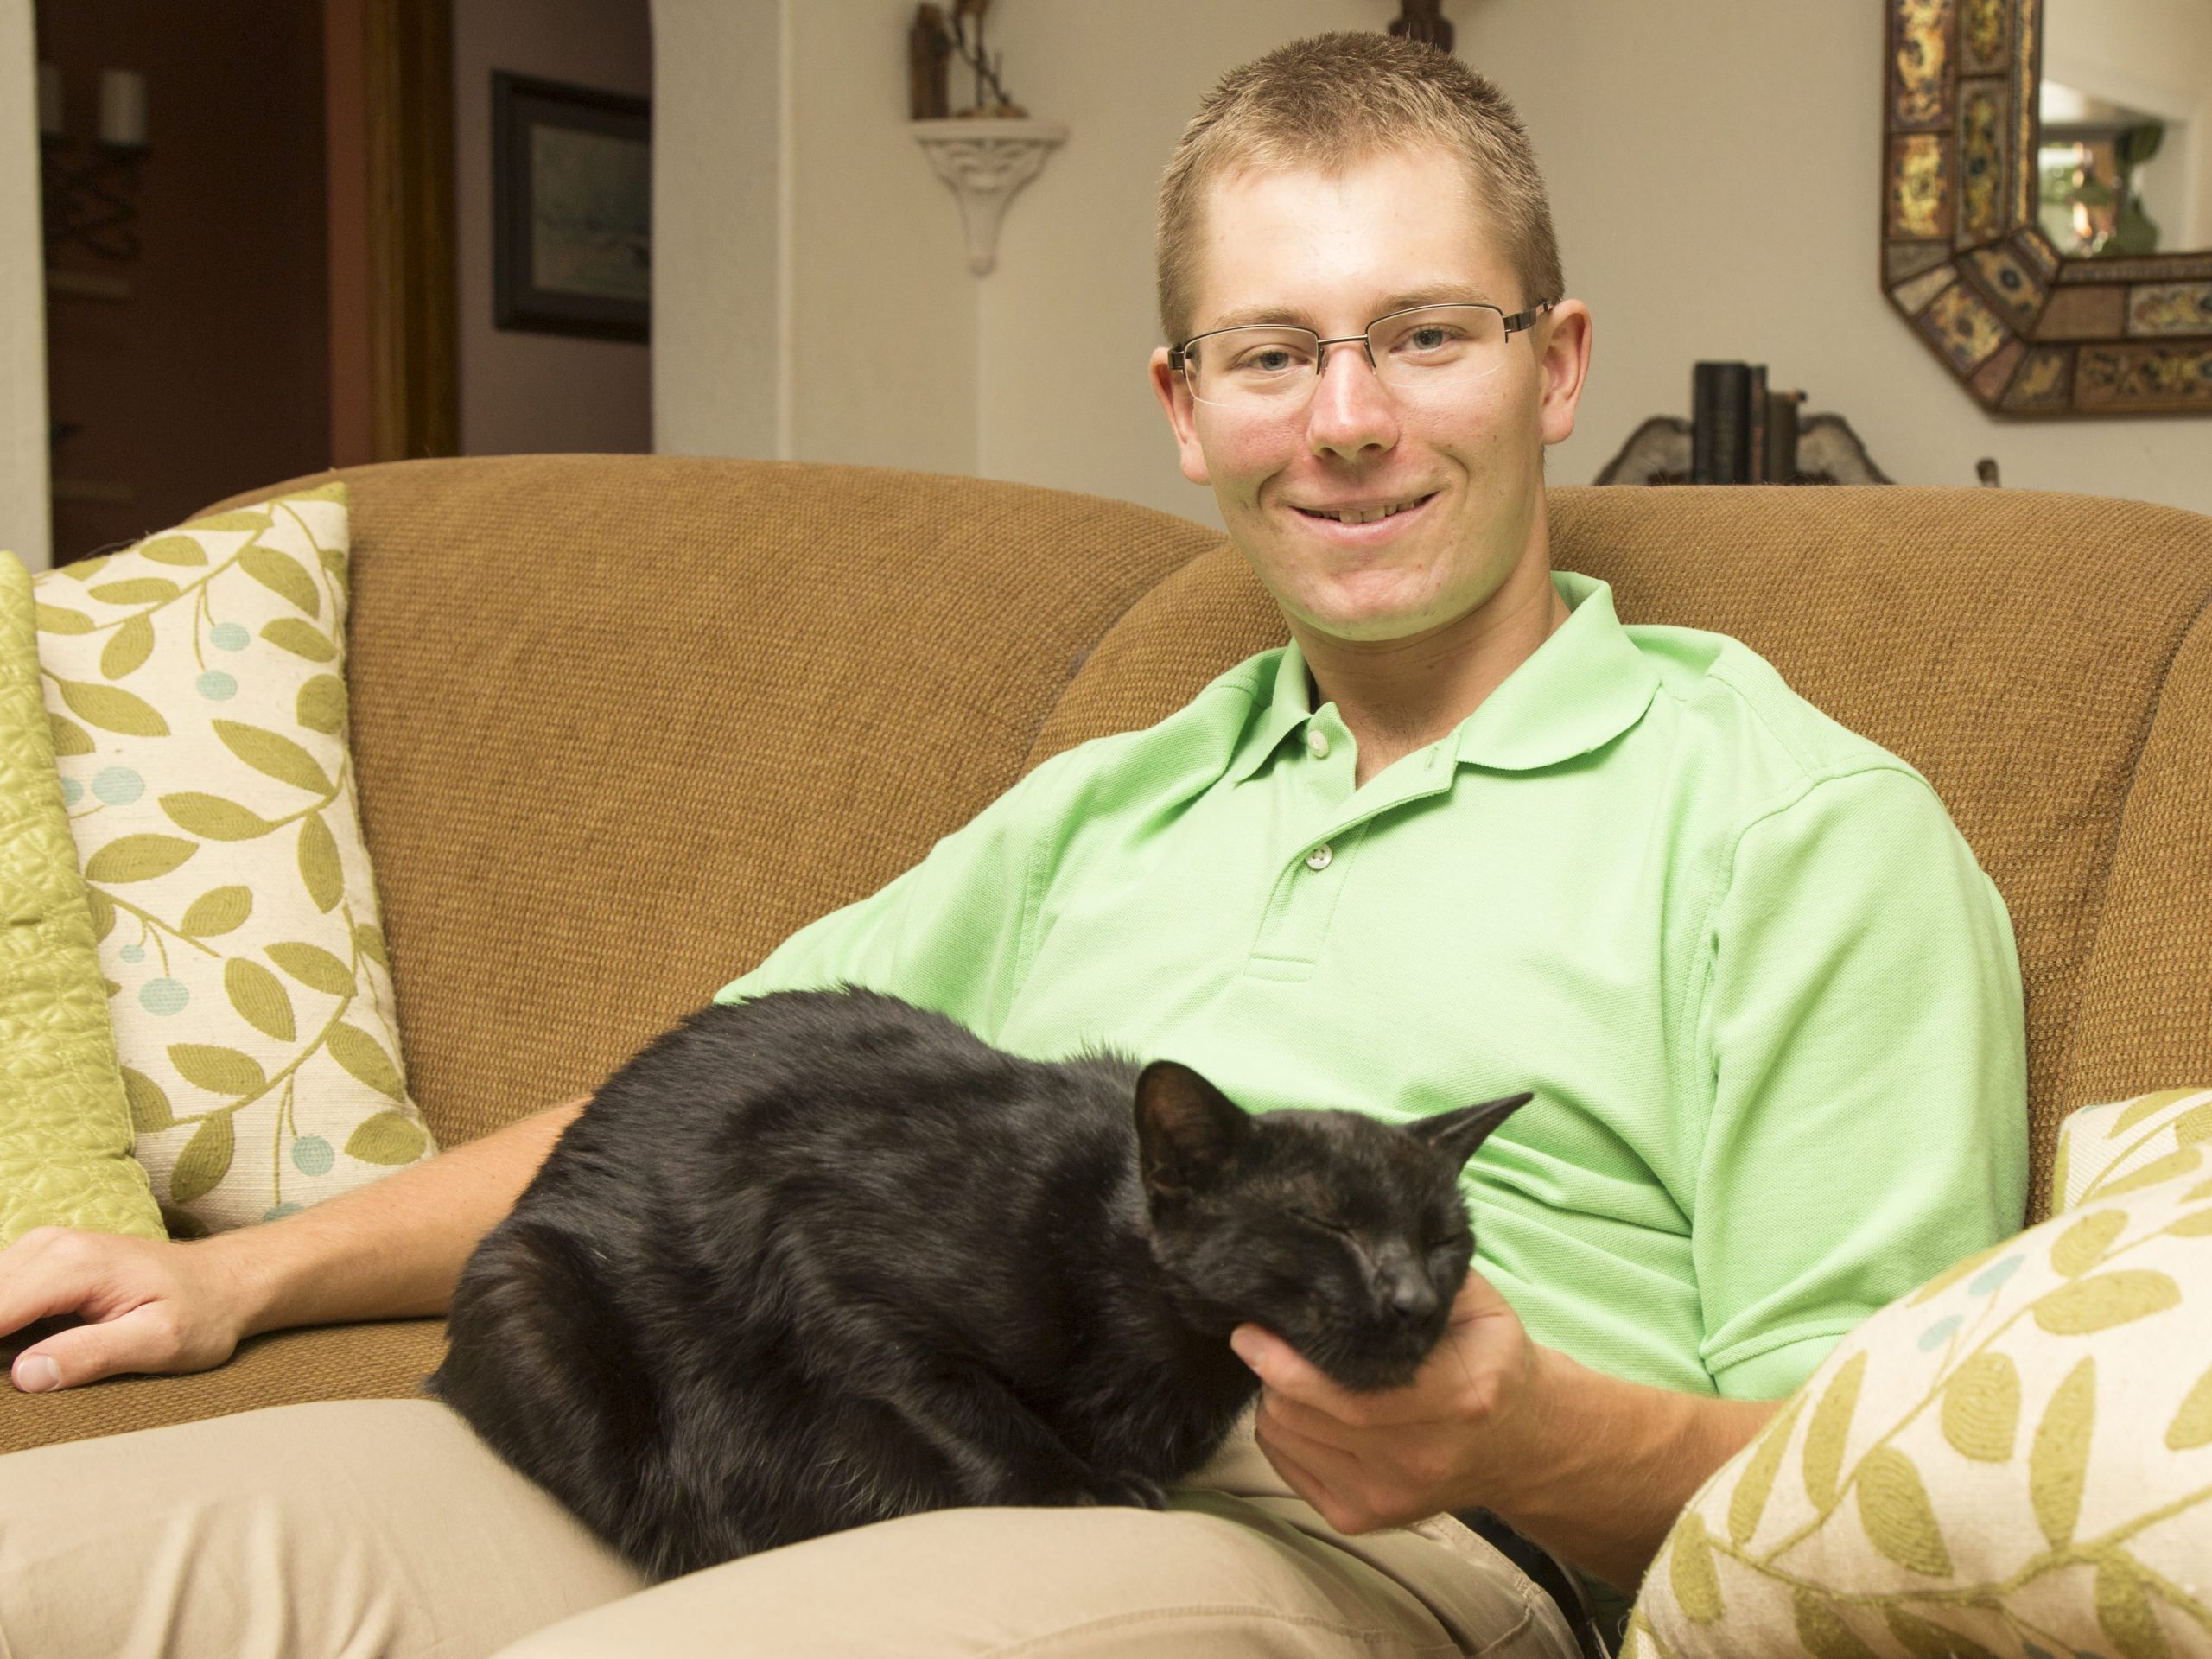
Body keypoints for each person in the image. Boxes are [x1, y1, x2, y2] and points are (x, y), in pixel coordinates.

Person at [0, 31, 2024, 1659]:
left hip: (1348, 1548)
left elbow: (1880, 1507)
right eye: (1269, 353)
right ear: (1183, 406)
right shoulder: (1106, 801)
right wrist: (239, 1278)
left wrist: (1531, 1432)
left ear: (1552, 366)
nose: (1344, 418)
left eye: (1424, 335)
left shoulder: (1795, 831)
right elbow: (693, 1109)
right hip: (809, 1444)